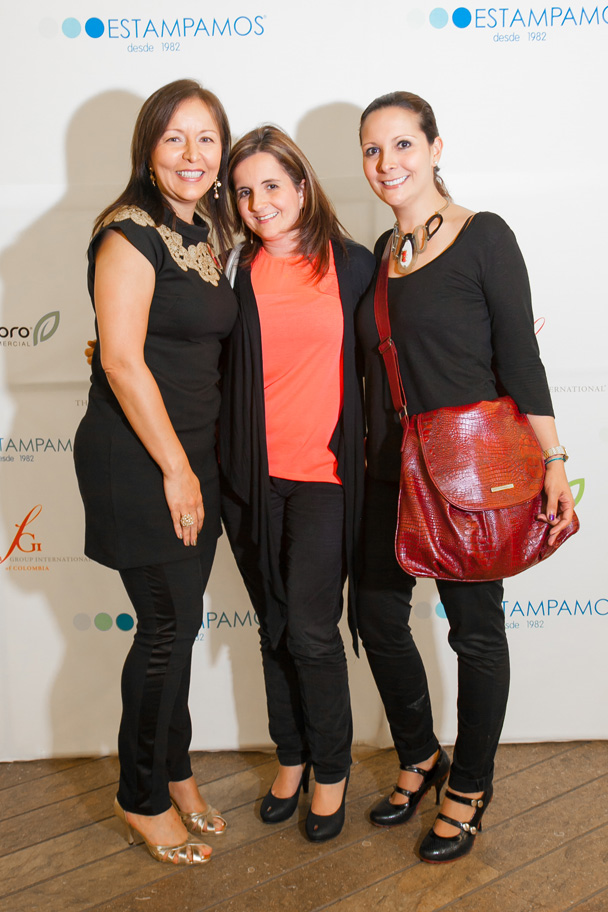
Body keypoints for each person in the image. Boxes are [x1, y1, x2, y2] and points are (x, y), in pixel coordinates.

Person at [355, 92, 575, 863]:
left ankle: (470, 786)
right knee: (376, 618)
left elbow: (521, 358)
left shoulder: (486, 237)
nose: (389, 164)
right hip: (391, 470)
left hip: (470, 475)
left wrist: (553, 459)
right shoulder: (382, 255)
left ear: (436, 146)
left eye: (404, 145)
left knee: (476, 635)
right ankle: (420, 755)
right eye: (373, 151)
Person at [73, 79, 237, 865]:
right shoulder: (127, 233)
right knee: (167, 629)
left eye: (206, 138)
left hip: (192, 453)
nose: (192, 155)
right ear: (147, 148)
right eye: (175, 138)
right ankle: (138, 795)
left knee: (181, 625)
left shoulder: (205, 230)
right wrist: (176, 468)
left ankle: (174, 771)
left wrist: (197, 462)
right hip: (141, 458)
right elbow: (123, 361)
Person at [218, 126, 375, 842]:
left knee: (312, 630)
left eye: (272, 186)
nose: (258, 202)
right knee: (273, 627)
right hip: (249, 481)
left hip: (325, 478)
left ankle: (332, 769)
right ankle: (291, 754)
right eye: (244, 191)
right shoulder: (230, 269)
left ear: (303, 188)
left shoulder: (353, 267)